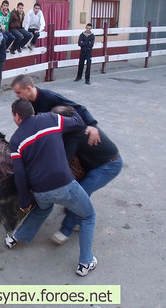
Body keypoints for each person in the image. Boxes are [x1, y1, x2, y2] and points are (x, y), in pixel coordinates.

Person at [5, 98, 97, 277]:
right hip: (65, 185)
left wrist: (24, 201)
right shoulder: (51, 119)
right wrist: (68, 110)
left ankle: (15, 237)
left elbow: (20, 175)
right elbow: (79, 122)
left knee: (42, 209)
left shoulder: (15, 141)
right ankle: (85, 263)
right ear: (31, 111)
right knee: (88, 216)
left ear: (17, 116)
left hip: (40, 191)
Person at [49, 105, 122, 245]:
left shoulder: (74, 135)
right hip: (95, 163)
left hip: (108, 166)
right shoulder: (75, 125)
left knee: (80, 194)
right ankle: (77, 218)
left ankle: (66, 230)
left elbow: (61, 161)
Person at [10, 74, 100, 146]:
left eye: (18, 92)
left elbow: (78, 108)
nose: (17, 96)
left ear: (28, 89)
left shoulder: (50, 97)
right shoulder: (26, 102)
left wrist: (92, 125)